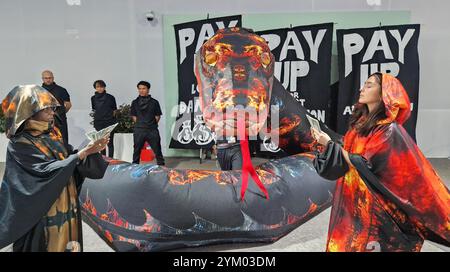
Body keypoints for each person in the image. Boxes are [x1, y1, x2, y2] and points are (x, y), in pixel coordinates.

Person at [311, 73, 450, 252]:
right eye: (364, 85)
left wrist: (329, 144)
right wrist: (329, 143)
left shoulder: (388, 130)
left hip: (375, 204)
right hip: (352, 195)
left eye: (369, 85)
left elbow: (364, 164)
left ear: (384, 93)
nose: (362, 89)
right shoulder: (361, 123)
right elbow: (350, 151)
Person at [0, 85, 109, 252]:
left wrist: (91, 150)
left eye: (52, 108)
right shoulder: (20, 143)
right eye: (46, 109)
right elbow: (43, 172)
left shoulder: (53, 135)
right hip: (42, 207)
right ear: (29, 112)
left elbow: (69, 159)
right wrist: (79, 155)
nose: (52, 112)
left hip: (66, 200)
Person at [130, 81, 165, 165]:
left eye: (144, 88)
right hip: (139, 130)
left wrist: (151, 124)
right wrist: (140, 123)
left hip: (152, 130)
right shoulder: (134, 102)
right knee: (136, 150)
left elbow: (157, 116)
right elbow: (134, 116)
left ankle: (161, 167)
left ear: (148, 90)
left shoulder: (154, 102)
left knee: (157, 149)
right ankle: (134, 166)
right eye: (140, 89)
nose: (141, 90)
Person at [41, 70, 71, 146]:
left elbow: (68, 105)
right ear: (42, 79)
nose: (48, 79)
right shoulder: (39, 91)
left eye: (50, 78)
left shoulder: (61, 90)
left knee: (62, 141)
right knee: (46, 142)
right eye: (46, 78)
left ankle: (65, 157)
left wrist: (61, 113)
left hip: (60, 120)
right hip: (44, 121)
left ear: (53, 78)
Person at [91, 80, 117, 158]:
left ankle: (111, 159)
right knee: (101, 142)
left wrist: (110, 118)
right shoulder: (93, 98)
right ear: (95, 88)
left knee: (110, 142)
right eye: (97, 87)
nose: (99, 88)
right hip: (99, 123)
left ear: (104, 87)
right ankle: (103, 159)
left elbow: (114, 110)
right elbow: (94, 109)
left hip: (109, 122)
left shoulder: (110, 97)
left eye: (101, 86)